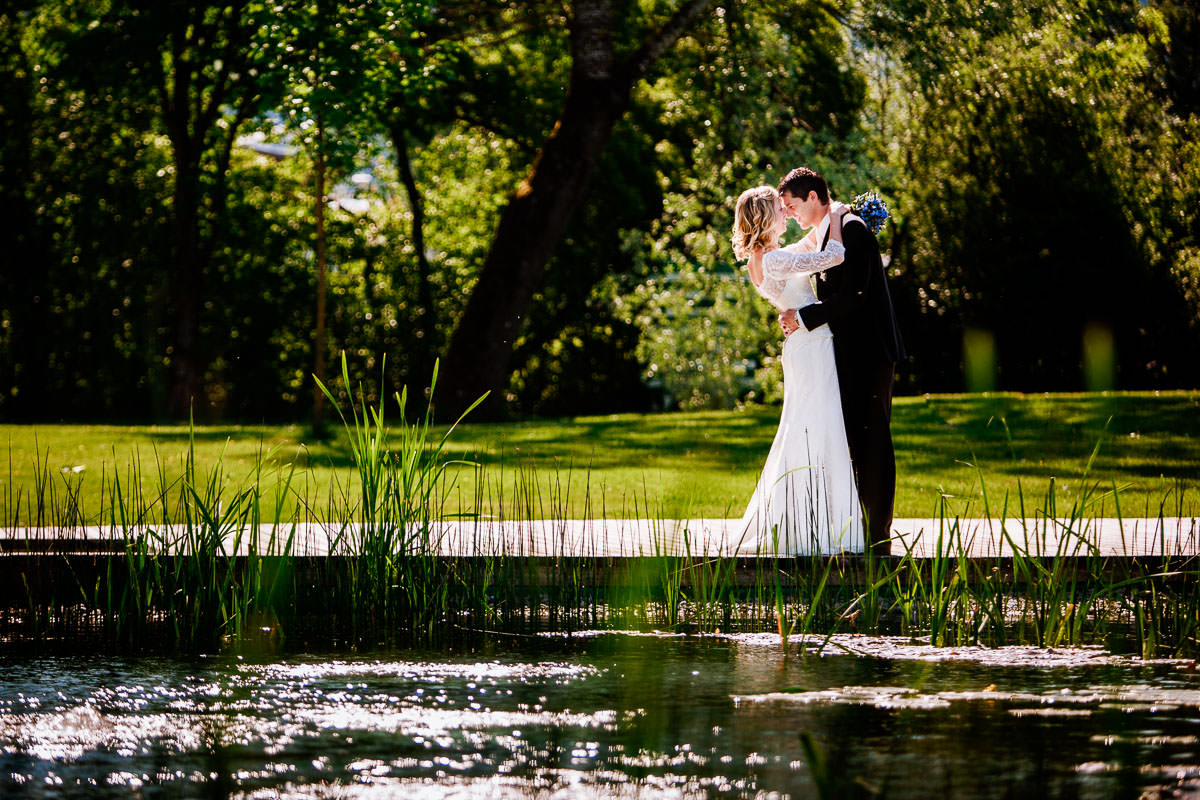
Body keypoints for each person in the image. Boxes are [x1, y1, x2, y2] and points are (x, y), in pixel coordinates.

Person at [777, 167, 906, 556]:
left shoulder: (852, 229)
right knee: (858, 440)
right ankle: (866, 529)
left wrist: (802, 319)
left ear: (814, 196)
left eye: (793, 206)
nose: (791, 214)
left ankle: (879, 537)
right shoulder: (834, 230)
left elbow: (855, 295)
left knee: (873, 441)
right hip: (852, 354)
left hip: (869, 354)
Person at [732, 185, 864, 555]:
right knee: (818, 427)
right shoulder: (774, 260)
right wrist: (837, 216)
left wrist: (818, 215)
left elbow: (809, 245)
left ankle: (809, 519)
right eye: (779, 207)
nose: (786, 212)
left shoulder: (766, 258)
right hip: (812, 347)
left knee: (809, 426)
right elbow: (834, 255)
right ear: (764, 215)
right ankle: (819, 527)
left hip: (803, 347)